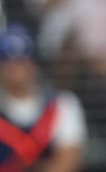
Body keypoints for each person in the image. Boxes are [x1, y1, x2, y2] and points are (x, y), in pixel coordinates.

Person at [0, 26, 87, 171]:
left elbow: (70, 157)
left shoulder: (61, 104)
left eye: (22, 61)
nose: (15, 69)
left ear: (34, 65)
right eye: (8, 62)